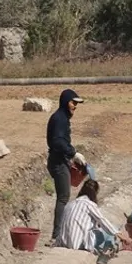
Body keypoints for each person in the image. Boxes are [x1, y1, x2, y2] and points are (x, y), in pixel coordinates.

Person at [47, 89, 88, 242]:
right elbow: (57, 142)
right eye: (73, 102)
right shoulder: (59, 119)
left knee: (64, 196)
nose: (75, 106)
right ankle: (56, 235)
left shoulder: (62, 117)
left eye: (76, 103)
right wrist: (73, 153)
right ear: (65, 102)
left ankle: (59, 232)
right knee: (63, 197)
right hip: (58, 162)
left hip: (61, 160)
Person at [54, 179, 121, 264]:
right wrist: (121, 235)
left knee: (103, 230)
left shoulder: (70, 204)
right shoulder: (89, 205)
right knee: (111, 232)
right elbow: (103, 221)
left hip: (63, 242)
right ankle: (105, 255)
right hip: (77, 244)